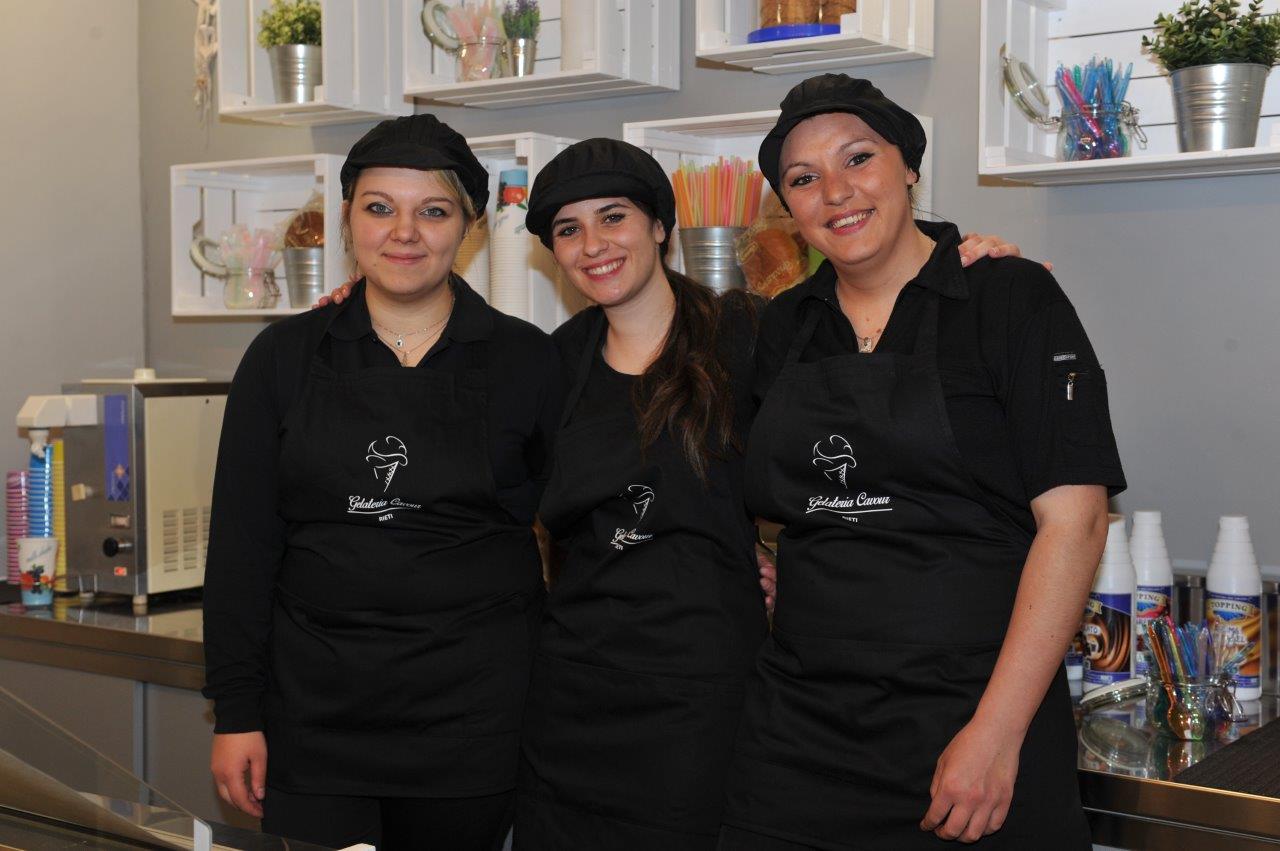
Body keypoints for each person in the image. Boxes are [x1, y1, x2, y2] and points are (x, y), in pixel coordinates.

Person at [718, 74, 1126, 850]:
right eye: (802, 178)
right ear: (789, 208)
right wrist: (769, 563)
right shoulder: (786, 327)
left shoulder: (1008, 298)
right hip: (799, 735)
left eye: (858, 158)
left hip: (973, 720)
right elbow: (773, 496)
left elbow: (1074, 524)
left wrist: (995, 734)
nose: (835, 192)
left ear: (908, 165)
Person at [202, 113, 563, 851]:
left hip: (476, 720)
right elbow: (242, 547)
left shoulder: (526, 359)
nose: (404, 232)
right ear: (347, 220)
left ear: (469, 226)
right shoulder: (282, 358)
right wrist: (237, 712)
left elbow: (577, 521)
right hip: (315, 718)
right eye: (379, 207)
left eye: (433, 211)